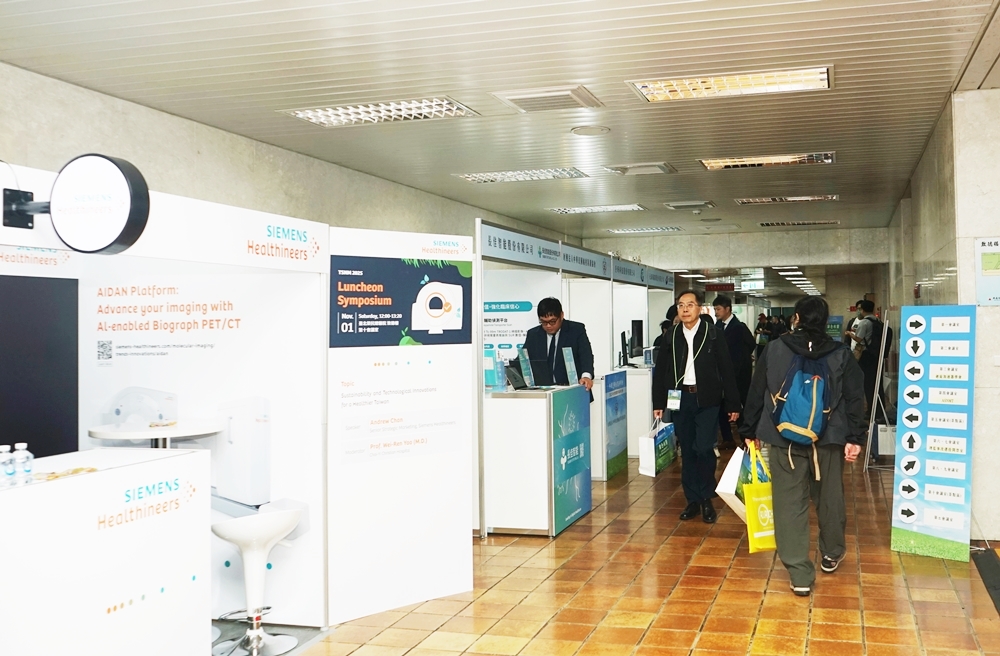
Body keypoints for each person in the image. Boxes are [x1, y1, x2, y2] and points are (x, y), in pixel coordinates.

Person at [738, 296, 866, 597]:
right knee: (830, 497)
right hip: (829, 439)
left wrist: (749, 430)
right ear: (825, 321)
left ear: (796, 318)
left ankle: (799, 573)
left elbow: (756, 390)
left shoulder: (774, 349)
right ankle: (831, 552)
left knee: (788, 503)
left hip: (783, 437)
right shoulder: (840, 353)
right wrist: (854, 438)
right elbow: (854, 397)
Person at [652, 290, 741, 523]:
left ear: (700, 308)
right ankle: (692, 499)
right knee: (688, 450)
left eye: (690, 305)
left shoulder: (712, 334)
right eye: (681, 305)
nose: (685, 309)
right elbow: (661, 370)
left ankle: (706, 497)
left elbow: (726, 369)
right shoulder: (671, 335)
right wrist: (658, 402)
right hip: (680, 398)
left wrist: (733, 403)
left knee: (703, 448)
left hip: (707, 400)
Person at [523, 297, 594, 391]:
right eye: (543, 322)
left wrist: (586, 376)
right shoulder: (533, 335)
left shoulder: (576, 330)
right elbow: (522, 359)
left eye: (552, 321)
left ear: (561, 315)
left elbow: (586, 356)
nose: (548, 326)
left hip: (572, 390)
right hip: (544, 391)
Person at [712, 295, 756, 448]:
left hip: (739, 375)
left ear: (727, 309)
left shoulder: (738, 327)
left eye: (718, 309)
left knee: (739, 406)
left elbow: (750, 344)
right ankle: (727, 438)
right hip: (722, 375)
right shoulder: (717, 326)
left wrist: (743, 359)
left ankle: (746, 438)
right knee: (722, 406)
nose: (716, 312)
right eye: (715, 309)